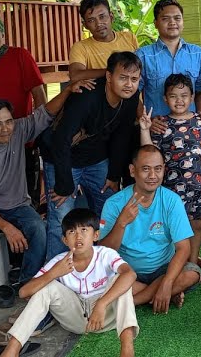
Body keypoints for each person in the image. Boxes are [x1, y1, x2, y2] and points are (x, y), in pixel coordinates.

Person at [0, 208, 141, 357]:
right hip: (77, 319)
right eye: (71, 232)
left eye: (84, 230)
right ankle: (11, 352)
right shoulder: (60, 261)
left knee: (122, 281)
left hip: (106, 317)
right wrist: (55, 273)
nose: (78, 236)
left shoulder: (105, 254)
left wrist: (102, 304)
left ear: (95, 235)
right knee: (46, 287)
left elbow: (130, 274)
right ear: (64, 240)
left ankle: (126, 352)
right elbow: (23, 292)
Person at [0, 80, 94, 289]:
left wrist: (67, 90)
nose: (5, 129)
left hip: (16, 205)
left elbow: (45, 113)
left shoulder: (17, 131)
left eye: (8, 121)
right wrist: (6, 227)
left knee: (39, 229)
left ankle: (28, 282)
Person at [38, 51, 143, 259]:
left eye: (134, 79)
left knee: (109, 210)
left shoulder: (130, 100)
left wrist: (113, 175)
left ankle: (105, 265)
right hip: (63, 159)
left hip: (96, 160)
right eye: (123, 78)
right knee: (61, 218)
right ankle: (55, 278)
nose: (129, 84)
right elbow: (61, 140)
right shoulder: (86, 96)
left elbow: (121, 137)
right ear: (109, 76)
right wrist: (65, 185)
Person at [99, 145, 201, 313]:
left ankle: (132, 302)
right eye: (146, 169)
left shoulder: (171, 200)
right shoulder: (114, 203)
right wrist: (121, 223)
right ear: (133, 171)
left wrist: (167, 283)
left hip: (163, 268)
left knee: (192, 274)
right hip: (128, 272)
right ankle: (163, 293)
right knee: (106, 280)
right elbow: (104, 251)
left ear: (164, 170)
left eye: (158, 169)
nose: (153, 176)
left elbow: (183, 248)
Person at [139, 74, 201, 270]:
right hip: (171, 190)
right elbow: (149, 153)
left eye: (184, 95)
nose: (179, 100)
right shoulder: (161, 125)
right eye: (173, 96)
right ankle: (173, 264)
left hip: (199, 186)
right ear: (165, 99)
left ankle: (192, 264)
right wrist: (144, 130)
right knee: (172, 228)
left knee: (197, 225)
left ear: (192, 97)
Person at [136, 0, 201, 114]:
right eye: (165, 18)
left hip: (190, 128)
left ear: (182, 22)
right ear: (155, 23)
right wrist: (145, 118)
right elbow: (133, 93)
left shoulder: (197, 53)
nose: (172, 22)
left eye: (177, 18)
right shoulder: (143, 55)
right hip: (157, 128)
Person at [67, 0, 139, 83]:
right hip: (99, 95)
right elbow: (75, 75)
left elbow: (139, 69)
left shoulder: (129, 38)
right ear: (85, 25)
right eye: (91, 20)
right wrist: (114, 72)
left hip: (132, 94)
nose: (99, 24)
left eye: (102, 17)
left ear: (111, 17)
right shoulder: (81, 47)